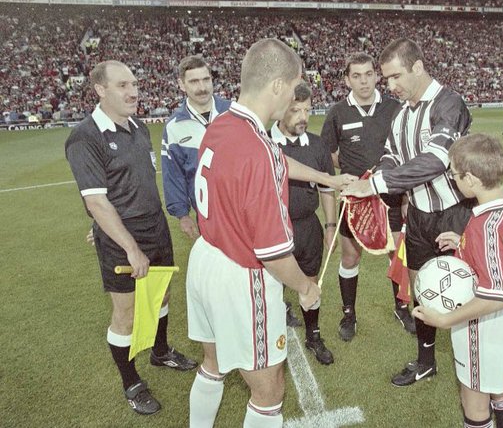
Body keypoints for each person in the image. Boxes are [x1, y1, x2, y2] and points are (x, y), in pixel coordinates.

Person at [185, 38, 323, 428]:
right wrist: (306, 287)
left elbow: (276, 161)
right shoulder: (257, 147)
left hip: (205, 257)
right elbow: (275, 254)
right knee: (268, 391)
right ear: (277, 85)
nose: (295, 98)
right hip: (240, 274)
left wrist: (325, 177)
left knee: (212, 364)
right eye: (295, 88)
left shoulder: (223, 123)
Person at [64, 60, 197, 416]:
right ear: (100, 90)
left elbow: (133, 183)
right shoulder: (85, 136)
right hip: (125, 239)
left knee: (163, 293)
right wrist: (127, 245)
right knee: (125, 313)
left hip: (154, 226)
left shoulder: (137, 126)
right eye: (123, 85)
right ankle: (131, 382)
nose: (133, 91)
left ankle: (160, 351)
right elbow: (95, 199)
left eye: (135, 83)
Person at [341, 38, 474, 387]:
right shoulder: (401, 115)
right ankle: (426, 360)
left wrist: (376, 185)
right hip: (418, 216)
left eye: (395, 77)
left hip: (455, 214)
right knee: (423, 291)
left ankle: (474, 362)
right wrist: (374, 175)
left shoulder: (449, 104)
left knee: (467, 290)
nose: (391, 86)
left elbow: (436, 160)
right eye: (387, 80)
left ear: (417, 67)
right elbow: (391, 156)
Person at [414, 133, 503, 428]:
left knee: (475, 404)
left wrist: (445, 319)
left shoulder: (483, 225)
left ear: (471, 179)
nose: (453, 180)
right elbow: (501, 257)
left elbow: (496, 294)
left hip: (486, 323)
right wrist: (463, 242)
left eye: (455, 175)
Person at [320, 52, 414, 342]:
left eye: (369, 74)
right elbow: (329, 154)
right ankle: (349, 314)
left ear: (377, 75)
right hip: (356, 200)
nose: (363, 81)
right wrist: (351, 175)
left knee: (397, 254)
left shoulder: (395, 108)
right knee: (349, 257)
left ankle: (401, 306)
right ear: (347, 79)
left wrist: (407, 193)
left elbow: (407, 150)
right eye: (356, 75)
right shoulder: (337, 112)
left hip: (392, 194)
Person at [270, 81, 336, 365]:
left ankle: (313, 335)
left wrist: (331, 225)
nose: (303, 117)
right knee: (272, 286)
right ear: (281, 108)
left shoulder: (317, 144)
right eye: (295, 110)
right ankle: (270, 338)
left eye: (307, 110)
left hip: (308, 226)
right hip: (274, 228)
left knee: (311, 282)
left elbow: (327, 189)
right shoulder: (265, 143)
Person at [161, 55, 231, 240]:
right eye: (194, 81)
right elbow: (173, 174)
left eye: (206, 79)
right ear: (181, 84)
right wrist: (182, 215)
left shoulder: (234, 113)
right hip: (207, 215)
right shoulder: (175, 127)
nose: (202, 87)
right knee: (216, 265)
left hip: (243, 208)